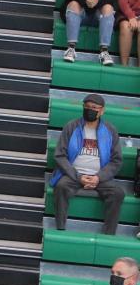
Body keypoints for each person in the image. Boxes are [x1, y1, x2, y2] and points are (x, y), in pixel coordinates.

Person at [50, 93, 123, 235]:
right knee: (61, 187)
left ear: (102, 111)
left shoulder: (110, 130)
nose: (90, 110)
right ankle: (60, 228)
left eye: (94, 107)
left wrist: (99, 177)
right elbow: (60, 155)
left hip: (99, 177)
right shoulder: (71, 127)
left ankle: (108, 235)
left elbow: (117, 160)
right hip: (73, 175)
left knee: (118, 193)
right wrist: (78, 176)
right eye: (87, 107)